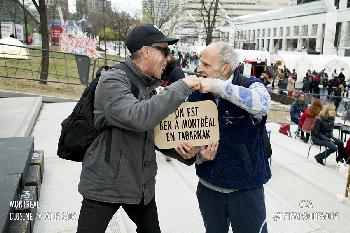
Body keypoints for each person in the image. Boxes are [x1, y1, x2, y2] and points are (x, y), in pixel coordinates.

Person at [76, 24, 201, 233]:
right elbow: (139, 117)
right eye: (164, 50)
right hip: (105, 185)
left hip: (139, 186)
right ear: (145, 51)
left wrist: (185, 153)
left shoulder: (147, 85)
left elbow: (154, 131)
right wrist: (182, 87)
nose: (168, 58)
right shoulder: (113, 80)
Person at [178, 42, 271, 233]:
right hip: (208, 186)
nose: (199, 68)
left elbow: (263, 104)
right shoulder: (197, 94)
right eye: (200, 63)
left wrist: (217, 86)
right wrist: (196, 155)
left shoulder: (250, 84)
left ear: (225, 67)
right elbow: (191, 138)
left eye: (206, 65)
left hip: (245, 189)